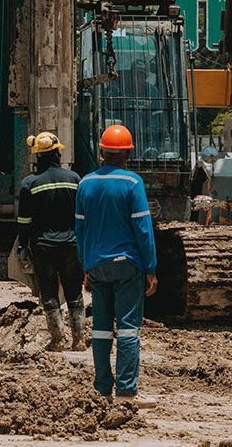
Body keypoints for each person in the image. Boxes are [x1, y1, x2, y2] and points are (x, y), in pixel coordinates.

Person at [75, 124, 158, 409]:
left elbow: (81, 230)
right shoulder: (132, 184)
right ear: (126, 155)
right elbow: (143, 230)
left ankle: (101, 389)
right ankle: (126, 390)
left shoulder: (85, 184)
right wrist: (151, 268)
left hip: (96, 266)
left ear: (102, 152)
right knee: (127, 329)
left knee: (99, 329)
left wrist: (85, 266)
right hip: (127, 266)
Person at [16, 132, 85, 352]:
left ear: (38, 157)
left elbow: (24, 220)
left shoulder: (30, 183)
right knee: (74, 290)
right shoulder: (75, 179)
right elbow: (82, 216)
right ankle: (79, 340)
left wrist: (22, 246)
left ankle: (57, 340)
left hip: (43, 246)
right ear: (57, 153)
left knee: (48, 292)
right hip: (72, 245)